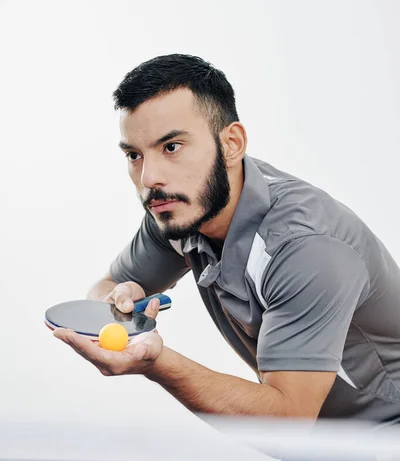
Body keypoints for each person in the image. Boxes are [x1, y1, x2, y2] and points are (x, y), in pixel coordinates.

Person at [54, 53, 400, 424]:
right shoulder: (179, 209)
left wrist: (156, 363)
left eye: (171, 147)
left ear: (232, 144)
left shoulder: (306, 248)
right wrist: (118, 307)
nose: (149, 177)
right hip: (328, 446)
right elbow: (108, 287)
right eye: (135, 155)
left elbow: (289, 419)